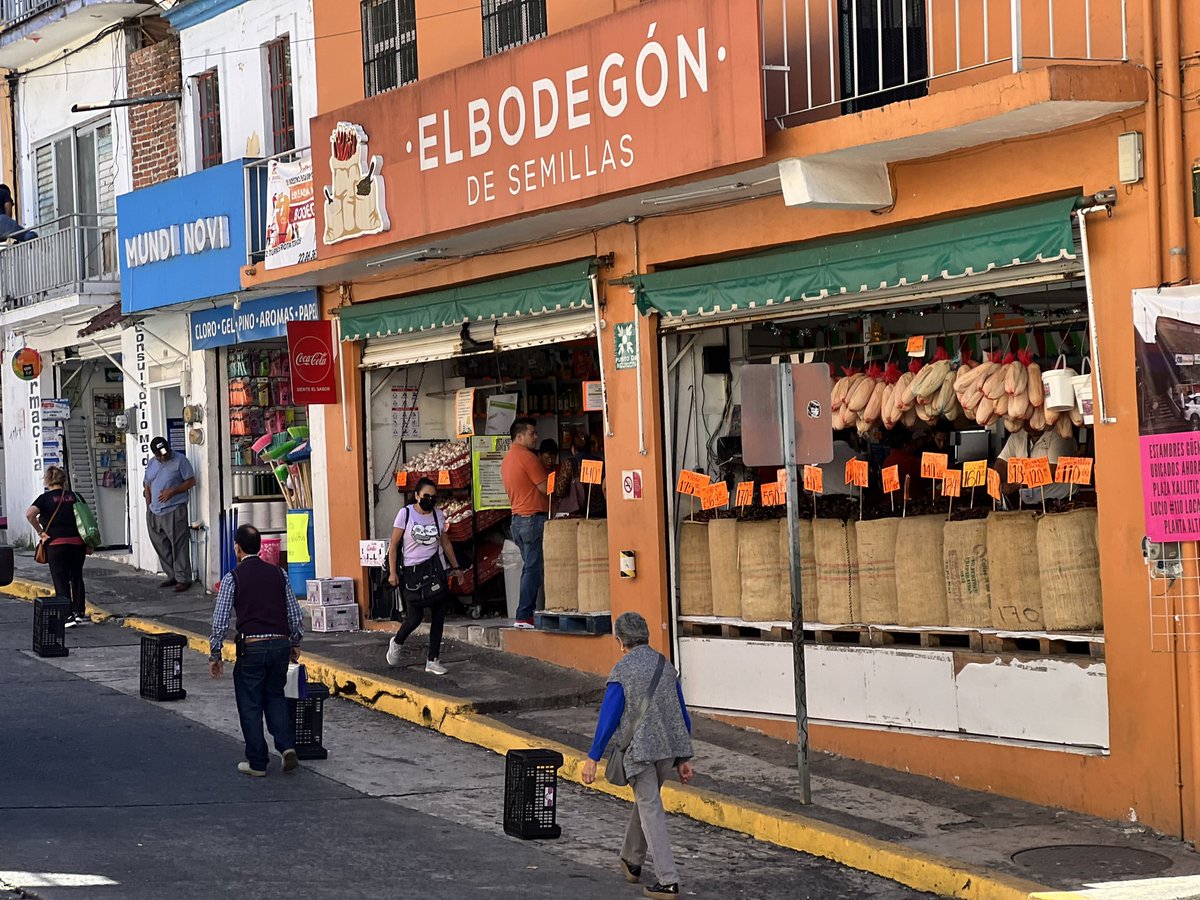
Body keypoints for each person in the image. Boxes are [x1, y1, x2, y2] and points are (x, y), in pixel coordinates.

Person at [582, 612, 695, 899]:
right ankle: (631, 860)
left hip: (640, 752)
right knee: (648, 803)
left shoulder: (622, 670)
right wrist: (683, 758)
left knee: (651, 811)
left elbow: (608, 718)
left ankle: (668, 880)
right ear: (647, 636)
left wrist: (593, 756)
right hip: (667, 752)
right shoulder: (665, 665)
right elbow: (681, 714)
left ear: (620, 641)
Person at [209, 524, 304, 777]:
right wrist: (294, 642)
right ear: (260, 547)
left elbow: (220, 620)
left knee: (250, 703)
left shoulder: (233, 578)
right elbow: (295, 613)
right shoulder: (279, 574)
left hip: (252, 647)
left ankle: (258, 762)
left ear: (237, 548)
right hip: (280, 645)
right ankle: (286, 747)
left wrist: (215, 653)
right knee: (275, 696)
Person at [385, 477, 463, 676]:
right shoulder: (406, 514)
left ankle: (433, 659)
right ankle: (398, 641)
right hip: (412, 573)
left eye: (433, 497)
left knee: (439, 614)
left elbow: (445, 543)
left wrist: (456, 567)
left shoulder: (438, 516)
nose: (429, 500)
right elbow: (393, 546)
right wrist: (393, 573)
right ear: (417, 496)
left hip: (435, 571)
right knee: (414, 617)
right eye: (426, 496)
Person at [27, 466, 90, 628]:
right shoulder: (76, 496)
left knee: (60, 579)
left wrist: (41, 532)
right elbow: (86, 520)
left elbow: (30, 514)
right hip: (77, 543)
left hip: (56, 544)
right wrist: (90, 542)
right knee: (76, 576)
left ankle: (66, 615)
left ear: (48, 481)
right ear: (64, 481)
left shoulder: (45, 499)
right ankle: (79, 612)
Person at [501, 418, 549, 628]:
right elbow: (545, 487)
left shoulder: (507, 460)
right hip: (532, 519)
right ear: (519, 436)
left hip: (517, 520)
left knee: (530, 567)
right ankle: (524, 615)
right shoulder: (527, 458)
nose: (536, 437)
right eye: (532, 433)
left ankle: (525, 613)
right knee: (533, 568)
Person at [143, 436, 196, 591]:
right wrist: (148, 507)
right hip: (154, 511)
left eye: (166, 452)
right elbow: (147, 484)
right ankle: (172, 575)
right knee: (161, 545)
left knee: (179, 545)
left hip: (174, 508)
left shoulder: (180, 460)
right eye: (160, 454)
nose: (164, 456)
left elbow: (191, 481)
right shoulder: (152, 463)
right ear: (155, 454)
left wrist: (173, 491)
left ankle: (183, 578)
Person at [997, 422, 1077, 506]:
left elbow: (1051, 471)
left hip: (1059, 501)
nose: (1030, 424)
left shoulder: (1059, 434)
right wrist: (998, 481)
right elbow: (1001, 462)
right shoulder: (1018, 434)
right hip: (1029, 504)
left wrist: (1016, 485)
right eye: (1026, 421)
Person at [541, 438, 582, 516]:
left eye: (553, 458)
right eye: (547, 458)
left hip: (559, 510)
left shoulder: (561, 469)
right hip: (542, 510)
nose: (550, 461)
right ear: (540, 455)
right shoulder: (537, 471)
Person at [819, 430, 861, 497]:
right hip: (853, 500)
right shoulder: (858, 457)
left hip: (823, 500)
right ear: (851, 436)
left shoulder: (820, 457)